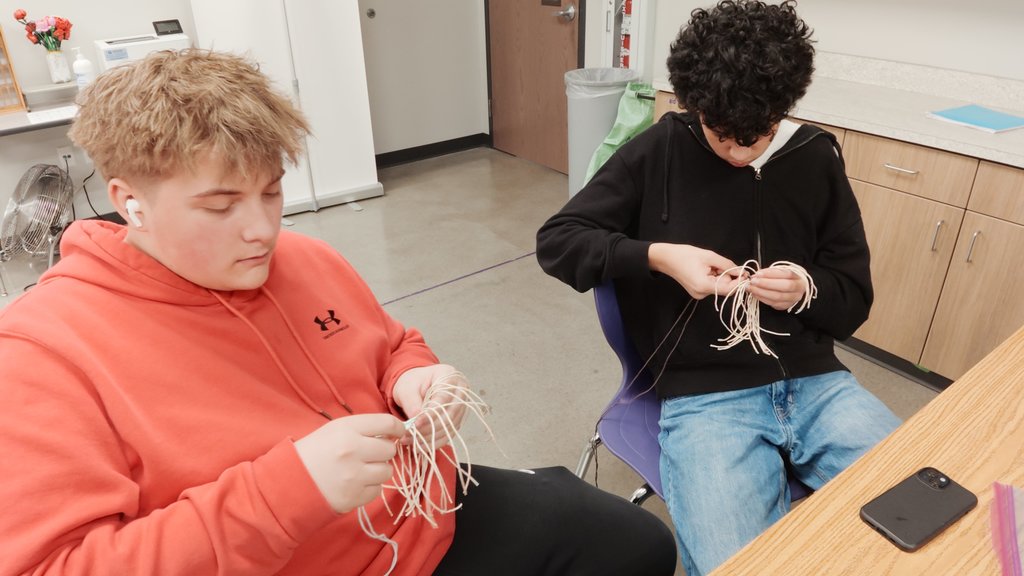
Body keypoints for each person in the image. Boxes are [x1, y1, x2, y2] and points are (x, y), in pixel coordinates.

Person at [0, 49, 677, 576]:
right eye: (219, 206)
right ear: (129, 201)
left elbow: (390, 344)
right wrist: (284, 493)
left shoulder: (304, 258)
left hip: (423, 513)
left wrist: (414, 378)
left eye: (271, 192)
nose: (261, 229)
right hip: (293, 560)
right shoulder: (42, 352)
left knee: (638, 546)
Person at [536, 1, 902, 574]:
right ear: (692, 104)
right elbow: (558, 241)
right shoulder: (659, 151)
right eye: (720, 134)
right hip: (705, 400)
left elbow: (853, 296)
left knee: (936, 508)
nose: (737, 151)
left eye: (756, 136)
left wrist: (807, 289)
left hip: (819, 387)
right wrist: (659, 257)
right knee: (741, 564)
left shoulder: (815, 158)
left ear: (784, 109)